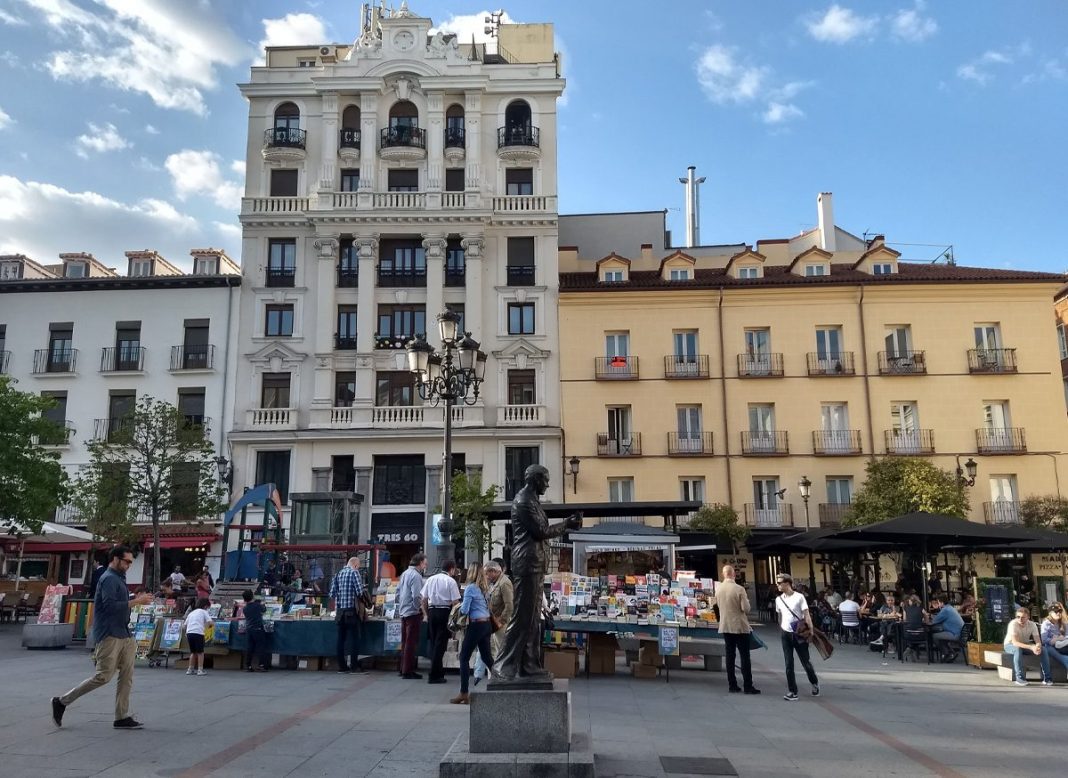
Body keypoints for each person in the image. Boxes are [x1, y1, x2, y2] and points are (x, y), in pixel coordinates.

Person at [491, 465, 582, 683]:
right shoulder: (524, 501)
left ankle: (528, 666)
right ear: (535, 480)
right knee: (522, 617)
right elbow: (541, 531)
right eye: (545, 480)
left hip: (535, 563)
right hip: (527, 563)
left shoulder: (532, 500)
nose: (547, 484)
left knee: (532, 618)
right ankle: (504, 665)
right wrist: (567, 524)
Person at [51, 545, 153, 729]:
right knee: (103, 676)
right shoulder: (108, 579)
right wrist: (137, 601)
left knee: (127, 675)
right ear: (115, 559)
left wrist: (135, 601)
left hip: (124, 633)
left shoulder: (119, 578)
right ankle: (62, 701)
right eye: (127, 561)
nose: (129, 565)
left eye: (131, 562)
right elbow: (110, 606)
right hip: (109, 634)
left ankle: (121, 716)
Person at [451, 563, 495, 705]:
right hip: (487, 624)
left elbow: (464, 610)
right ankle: (502, 682)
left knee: (464, 657)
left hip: (476, 625)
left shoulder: (470, 588)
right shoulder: (485, 588)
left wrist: (459, 607)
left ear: (471, 572)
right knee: (487, 658)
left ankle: (464, 693)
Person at [774, 573, 819, 702]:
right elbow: (780, 615)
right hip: (785, 633)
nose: (777, 585)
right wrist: (781, 628)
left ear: (787, 583)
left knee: (806, 662)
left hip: (799, 633)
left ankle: (814, 681)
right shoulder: (779, 599)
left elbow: (806, 614)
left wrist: (810, 630)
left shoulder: (799, 597)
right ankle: (792, 691)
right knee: (788, 663)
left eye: (780, 583)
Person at [717, 564, 760, 695]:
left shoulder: (718, 589)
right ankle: (748, 685)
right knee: (744, 656)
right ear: (734, 574)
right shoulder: (739, 589)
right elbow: (746, 609)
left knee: (730, 656)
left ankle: (732, 684)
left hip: (725, 625)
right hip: (740, 626)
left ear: (723, 574)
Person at [474, 560, 514, 685]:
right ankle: (493, 677)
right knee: (490, 651)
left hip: (500, 624)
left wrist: (501, 621)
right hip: (492, 621)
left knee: (499, 650)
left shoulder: (504, 583)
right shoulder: (494, 583)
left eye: (487, 573)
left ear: (494, 571)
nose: (486, 576)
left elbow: (509, 605)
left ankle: (500, 677)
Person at [422, 559, 461, 684]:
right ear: (452, 569)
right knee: (441, 644)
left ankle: (438, 671)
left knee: (434, 643)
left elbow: (423, 599)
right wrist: (455, 619)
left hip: (432, 611)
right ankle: (434, 674)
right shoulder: (451, 581)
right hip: (445, 612)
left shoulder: (431, 579)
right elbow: (456, 602)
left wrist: (427, 614)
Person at [330, 556, 371, 675]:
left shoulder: (338, 574)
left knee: (341, 639)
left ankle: (342, 667)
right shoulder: (354, 573)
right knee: (354, 639)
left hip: (340, 612)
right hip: (352, 611)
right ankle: (354, 666)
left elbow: (332, 594)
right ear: (356, 565)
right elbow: (359, 592)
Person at [396, 553, 428, 679]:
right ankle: (407, 670)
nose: (425, 566)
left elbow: (398, 592)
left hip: (404, 611)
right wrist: (418, 608)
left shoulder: (405, 573)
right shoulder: (416, 576)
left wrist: (401, 606)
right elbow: (416, 596)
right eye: (425, 563)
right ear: (420, 563)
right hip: (412, 612)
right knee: (410, 642)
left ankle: (402, 667)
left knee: (404, 642)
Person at [1004, 605, 1051, 686]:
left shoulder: (1032, 625)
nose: (1020, 619)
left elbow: (1038, 641)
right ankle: (1020, 678)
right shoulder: (1013, 624)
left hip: (1025, 645)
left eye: (1023, 617)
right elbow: (1015, 642)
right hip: (1010, 645)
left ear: (1028, 617)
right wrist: (1031, 647)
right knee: (1017, 649)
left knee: (1043, 649)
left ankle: (1047, 678)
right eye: (1018, 617)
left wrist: (1038, 647)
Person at [927, 596, 964, 662]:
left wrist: (927, 616)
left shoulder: (945, 610)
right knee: (941, 637)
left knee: (935, 636)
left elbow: (934, 621)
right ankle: (951, 653)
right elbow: (939, 618)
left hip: (954, 634)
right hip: (960, 633)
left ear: (942, 603)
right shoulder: (950, 608)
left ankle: (947, 653)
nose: (938, 604)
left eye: (938, 602)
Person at [242, 589, 269, 672]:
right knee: (260, 646)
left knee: (250, 647)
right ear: (252, 596)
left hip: (249, 629)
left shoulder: (245, 608)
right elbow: (264, 610)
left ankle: (248, 665)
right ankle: (262, 665)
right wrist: (263, 605)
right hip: (258, 628)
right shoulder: (257, 605)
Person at [184, 597, 213, 676]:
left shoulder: (191, 613)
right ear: (205, 606)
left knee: (193, 652)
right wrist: (208, 627)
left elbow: (184, 625)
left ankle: (190, 669)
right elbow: (210, 622)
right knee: (200, 652)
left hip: (189, 633)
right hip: (198, 633)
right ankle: (200, 670)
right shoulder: (204, 612)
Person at [1039, 603, 1068, 680]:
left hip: (1064, 646)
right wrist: (1056, 639)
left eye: (1060, 611)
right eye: (1056, 611)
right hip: (1051, 647)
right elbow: (1044, 640)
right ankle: (1065, 660)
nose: (1058, 613)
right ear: (1050, 613)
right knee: (1047, 648)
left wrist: (1062, 638)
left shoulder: (1064, 623)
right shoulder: (1046, 624)